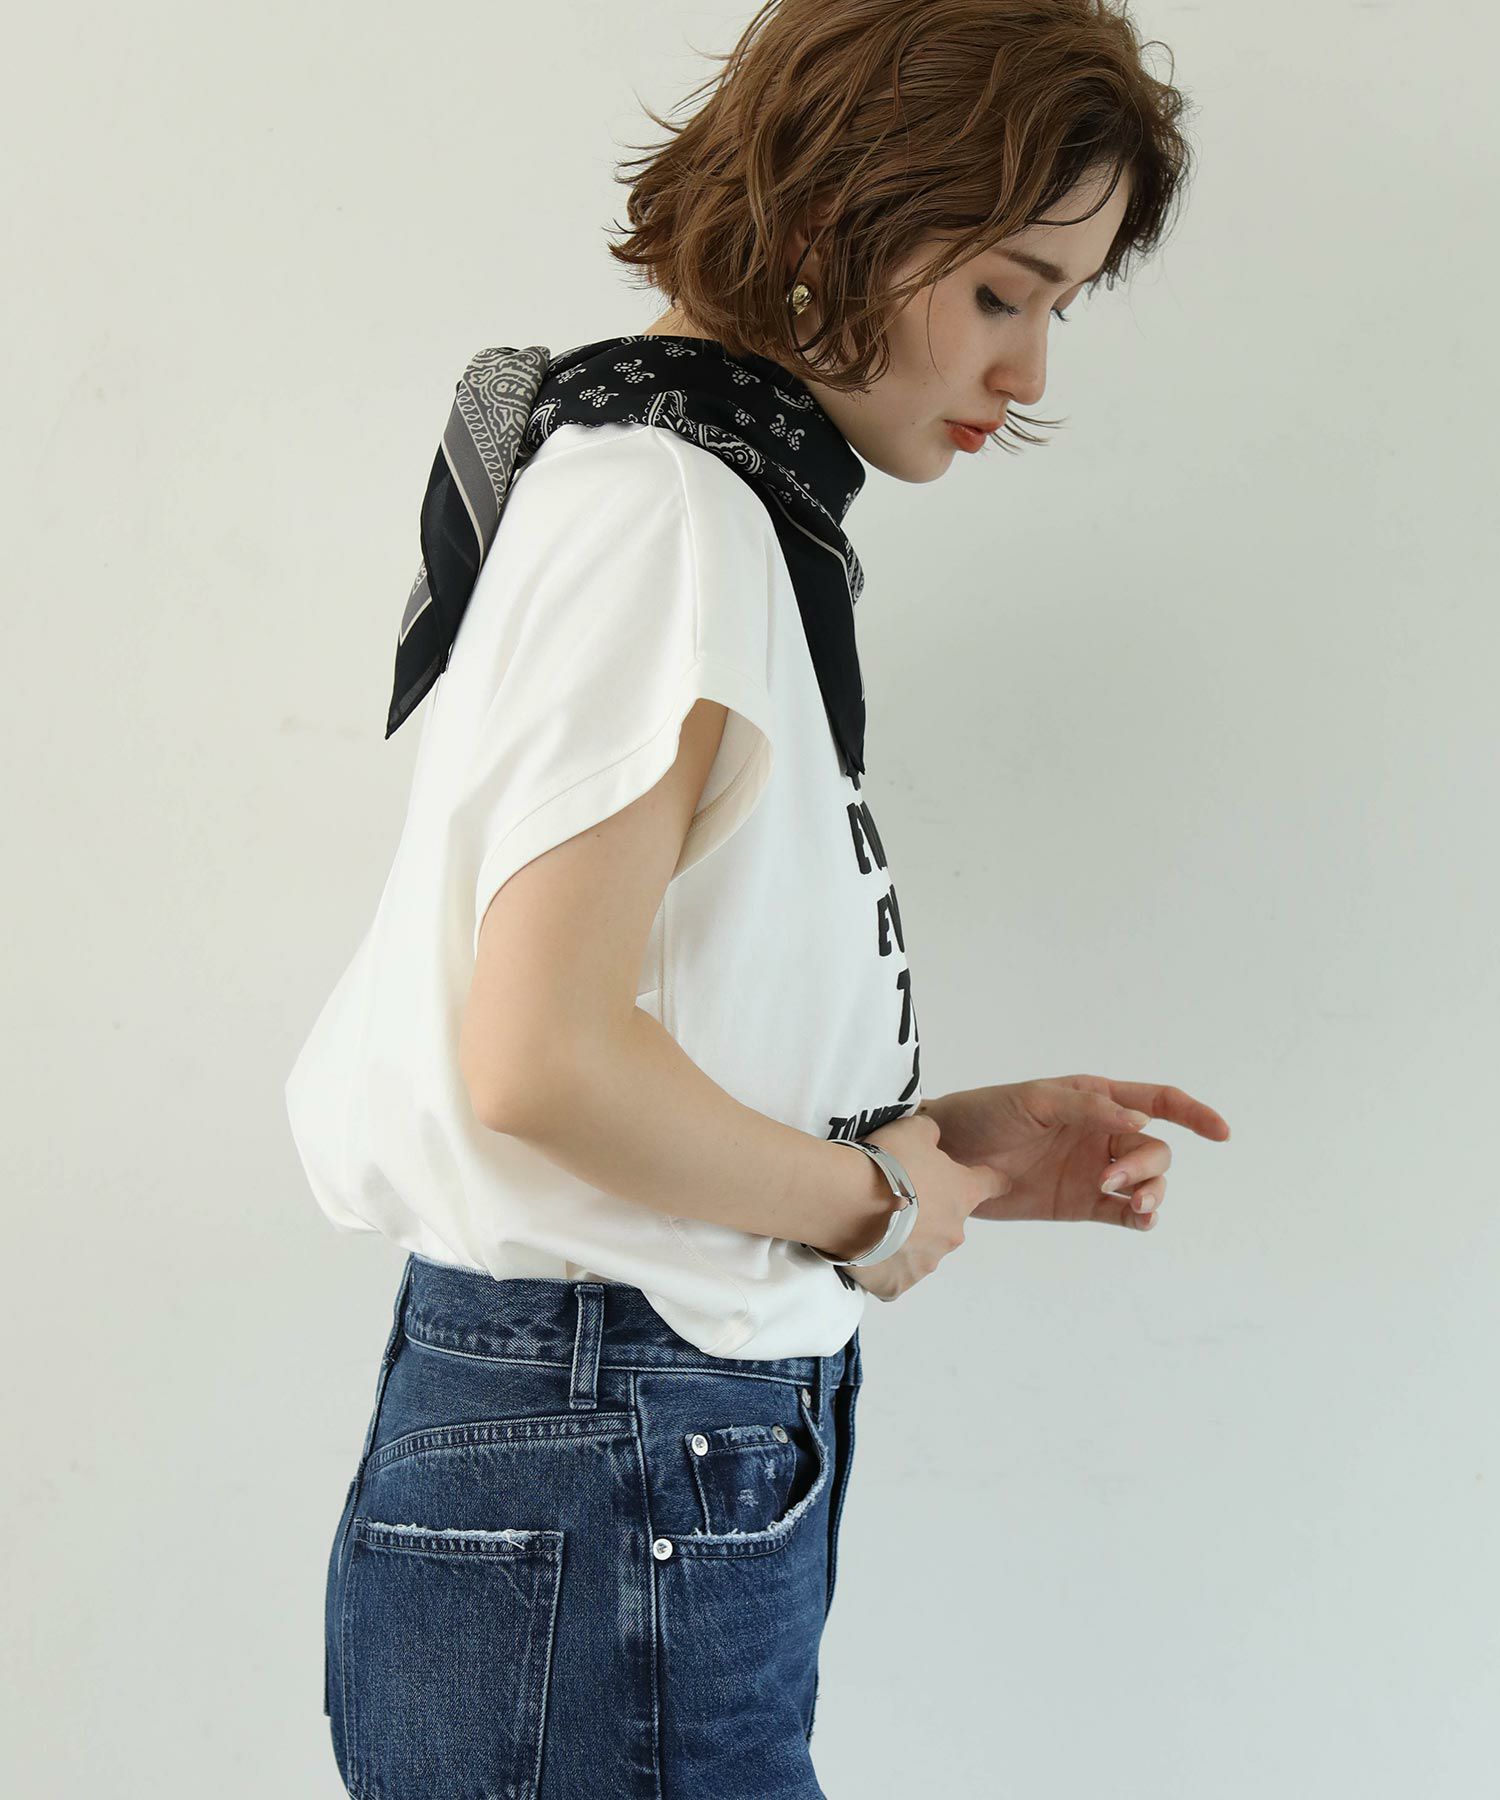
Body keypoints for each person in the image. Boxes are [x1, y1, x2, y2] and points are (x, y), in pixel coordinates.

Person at [286, 3, 1226, 1794]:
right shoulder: (667, 513)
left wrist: (927, 1142)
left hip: (630, 1438)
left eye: (1060, 306)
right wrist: (871, 1206)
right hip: (614, 1436)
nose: (1030, 369)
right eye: (1004, 291)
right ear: (834, 218)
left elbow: (621, 1020)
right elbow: (542, 1062)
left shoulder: (692, 494)